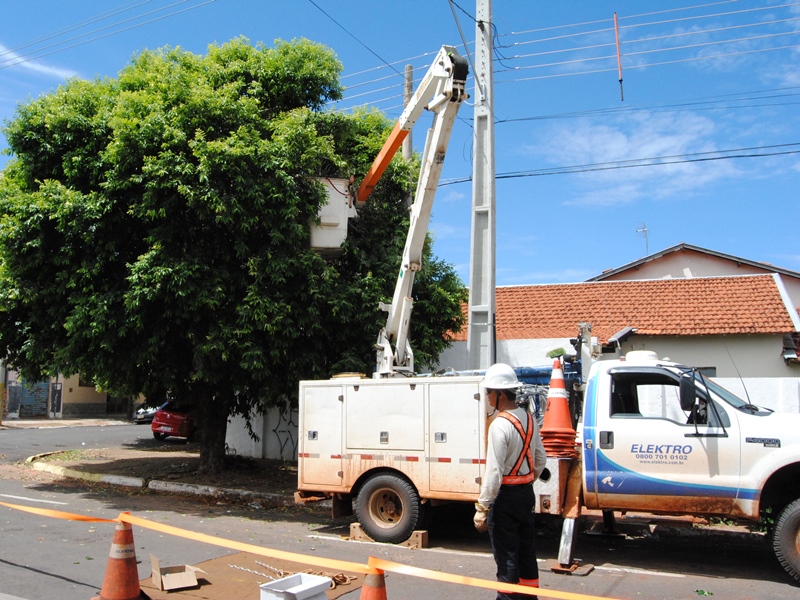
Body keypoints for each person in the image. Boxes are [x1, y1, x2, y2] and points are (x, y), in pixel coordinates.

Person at [474, 363, 546, 599]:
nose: (487, 397)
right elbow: (540, 459)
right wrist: (525, 480)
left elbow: (493, 473)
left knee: (507, 559)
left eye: (488, 393)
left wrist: (482, 508)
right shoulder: (530, 419)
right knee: (527, 553)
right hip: (525, 495)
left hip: (505, 498)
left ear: (499, 394)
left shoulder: (500, 425)